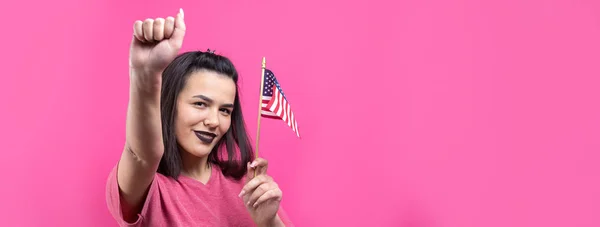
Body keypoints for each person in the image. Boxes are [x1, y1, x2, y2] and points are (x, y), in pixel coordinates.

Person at [105, 9, 293, 226]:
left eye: (225, 110)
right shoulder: (149, 186)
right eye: (200, 104)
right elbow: (141, 155)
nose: (214, 121)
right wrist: (145, 74)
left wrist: (268, 221)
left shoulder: (246, 184)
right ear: (170, 105)